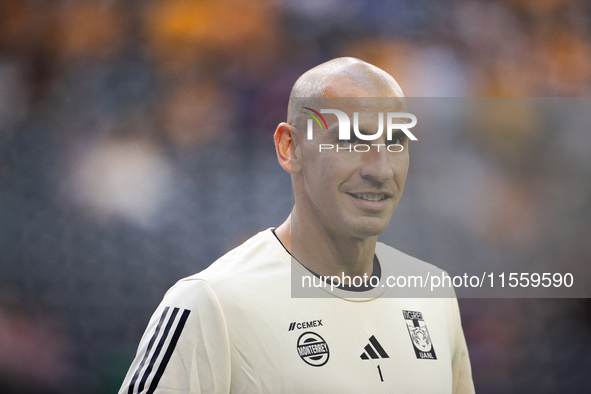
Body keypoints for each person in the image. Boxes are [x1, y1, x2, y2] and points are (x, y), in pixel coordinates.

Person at [119, 57, 475, 393]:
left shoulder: (434, 292)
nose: (380, 169)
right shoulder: (211, 303)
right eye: (353, 139)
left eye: (396, 141)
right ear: (290, 147)